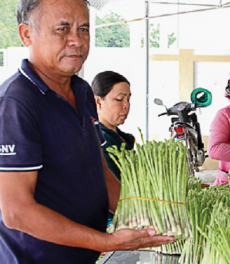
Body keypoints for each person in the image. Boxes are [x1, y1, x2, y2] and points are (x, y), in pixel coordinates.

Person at [0, 0, 175, 263]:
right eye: (62, 29)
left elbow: (99, 170)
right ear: (27, 34)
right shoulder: (16, 103)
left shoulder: (81, 91)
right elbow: (17, 212)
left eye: (83, 29)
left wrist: (145, 217)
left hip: (84, 255)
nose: (77, 41)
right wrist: (107, 241)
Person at [92, 71, 135, 227]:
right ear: (98, 102)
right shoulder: (97, 140)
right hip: (113, 222)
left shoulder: (124, 138)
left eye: (128, 99)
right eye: (119, 99)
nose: (126, 105)